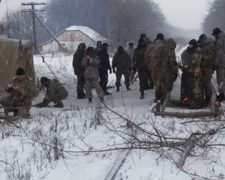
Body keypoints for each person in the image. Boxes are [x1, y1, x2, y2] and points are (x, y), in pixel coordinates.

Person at [198, 34, 215, 105]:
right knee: (202, 82)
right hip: (203, 66)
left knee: (207, 82)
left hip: (208, 66)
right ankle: (202, 97)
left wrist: (204, 58)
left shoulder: (211, 46)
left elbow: (211, 56)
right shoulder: (203, 45)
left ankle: (208, 98)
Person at [187, 39, 203, 109]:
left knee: (195, 87)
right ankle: (196, 102)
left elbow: (194, 63)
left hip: (195, 71)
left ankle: (197, 103)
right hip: (195, 70)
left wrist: (188, 68)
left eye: (190, 45)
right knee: (194, 87)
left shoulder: (196, 53)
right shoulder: (196, 51)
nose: (189, 46)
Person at [212, 28, 225, 101]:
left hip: (221, 63)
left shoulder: (219, 40)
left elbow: (218, 53)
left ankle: (222, 94)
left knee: (221, 79)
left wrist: (215, 63)